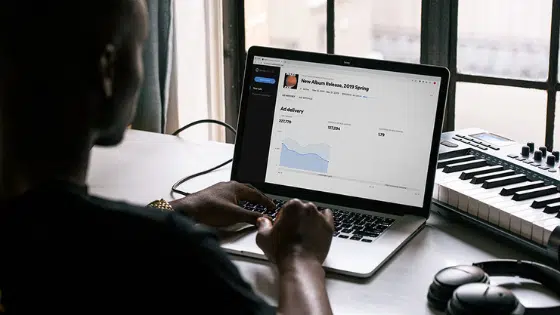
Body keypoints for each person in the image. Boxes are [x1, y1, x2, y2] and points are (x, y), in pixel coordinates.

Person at [0, 1, 335, 314]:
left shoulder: (33, 228)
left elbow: (77, 234)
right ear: (107, 71)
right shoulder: (174, 254)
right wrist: (298, 257)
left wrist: (182, 208)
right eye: (140, 46)